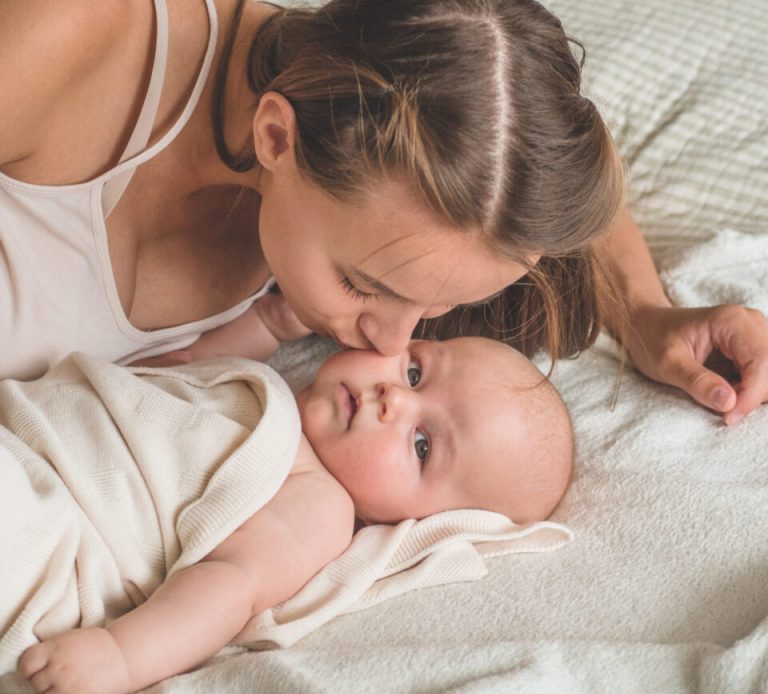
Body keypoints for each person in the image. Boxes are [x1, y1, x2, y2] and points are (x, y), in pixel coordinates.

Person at [1, 1, 766, 424]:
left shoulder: (385, 171)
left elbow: (525, 183)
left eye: (433, 307)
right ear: (276, 135)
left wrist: (642, 310)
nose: (385, 338)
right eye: (364, 284)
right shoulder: (67, 39)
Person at [2, 336, 572, 694]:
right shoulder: (269, 386)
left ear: (421, 522)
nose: (392, 398)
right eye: (417, 371)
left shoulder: (317, 505)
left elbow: (228, 587)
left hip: (49, 529)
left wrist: (118, 656)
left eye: (422, 445)